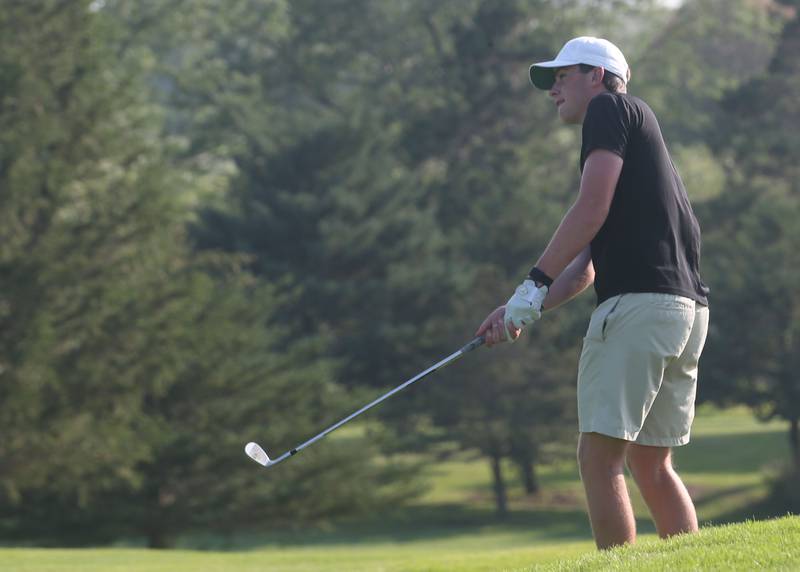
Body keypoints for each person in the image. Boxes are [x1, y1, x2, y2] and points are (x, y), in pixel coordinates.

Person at [475, 36, 710, 550]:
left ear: (597, 76)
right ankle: (697, 562)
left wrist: (531, 282)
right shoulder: (643, 142)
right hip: (684, 313)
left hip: (640, 310)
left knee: (598, 457)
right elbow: (586, 265)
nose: (553, 89)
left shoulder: (610, 109)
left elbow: (589, 209)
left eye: (563, 76)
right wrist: (524, 310)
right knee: (651, 460)